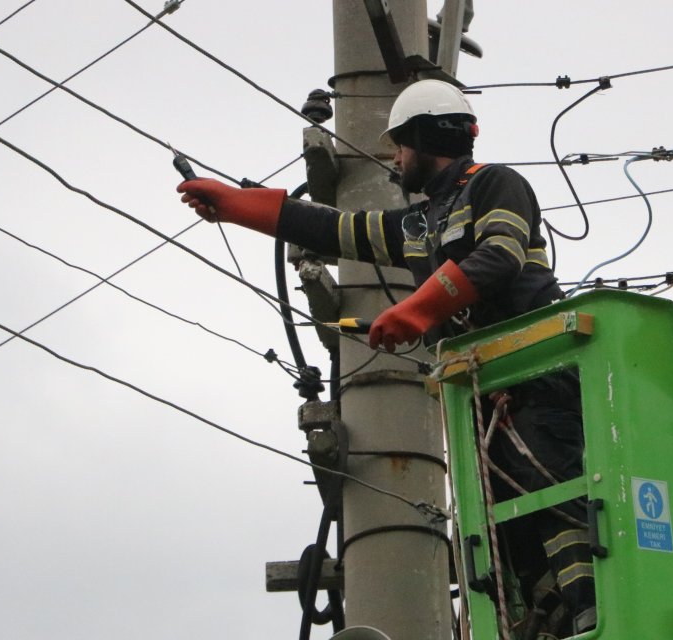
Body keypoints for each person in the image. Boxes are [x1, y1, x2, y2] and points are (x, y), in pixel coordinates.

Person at [177, 79, 595, 636]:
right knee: (505, 522)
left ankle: (591, 607)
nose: (396, 159)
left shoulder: (496, 184)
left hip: (538, 376)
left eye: (399, 145)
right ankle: (546, 619)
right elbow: (333, 228)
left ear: (424, 136)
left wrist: (418, 309)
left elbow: (501, 255)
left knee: (551, 497)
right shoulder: (419, 223)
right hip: (487, 392)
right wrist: (235, 205)